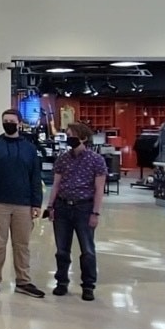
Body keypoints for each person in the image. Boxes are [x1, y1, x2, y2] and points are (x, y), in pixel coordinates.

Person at [0, 110, 46, 298]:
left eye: (12, 121)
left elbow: (35, 176)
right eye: (5, 121)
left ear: (19, 123)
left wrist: (36, 203)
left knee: (22, 245)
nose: (8, 123)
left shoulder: (29, 148)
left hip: (24, 203)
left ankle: (23, 281)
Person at [45, 122, 107, 301]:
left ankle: (88, 285)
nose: (69, 138)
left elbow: (99, 189)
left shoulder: (97, 160)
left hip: (84, 208)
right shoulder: (62, 159)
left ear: (83, 138)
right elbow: (56, 184)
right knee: (61, 249)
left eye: (72, 135)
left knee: (87, 250)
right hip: (62, 207)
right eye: (67, 134)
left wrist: (95, 213)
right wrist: (50, 206)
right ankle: (61, 282)